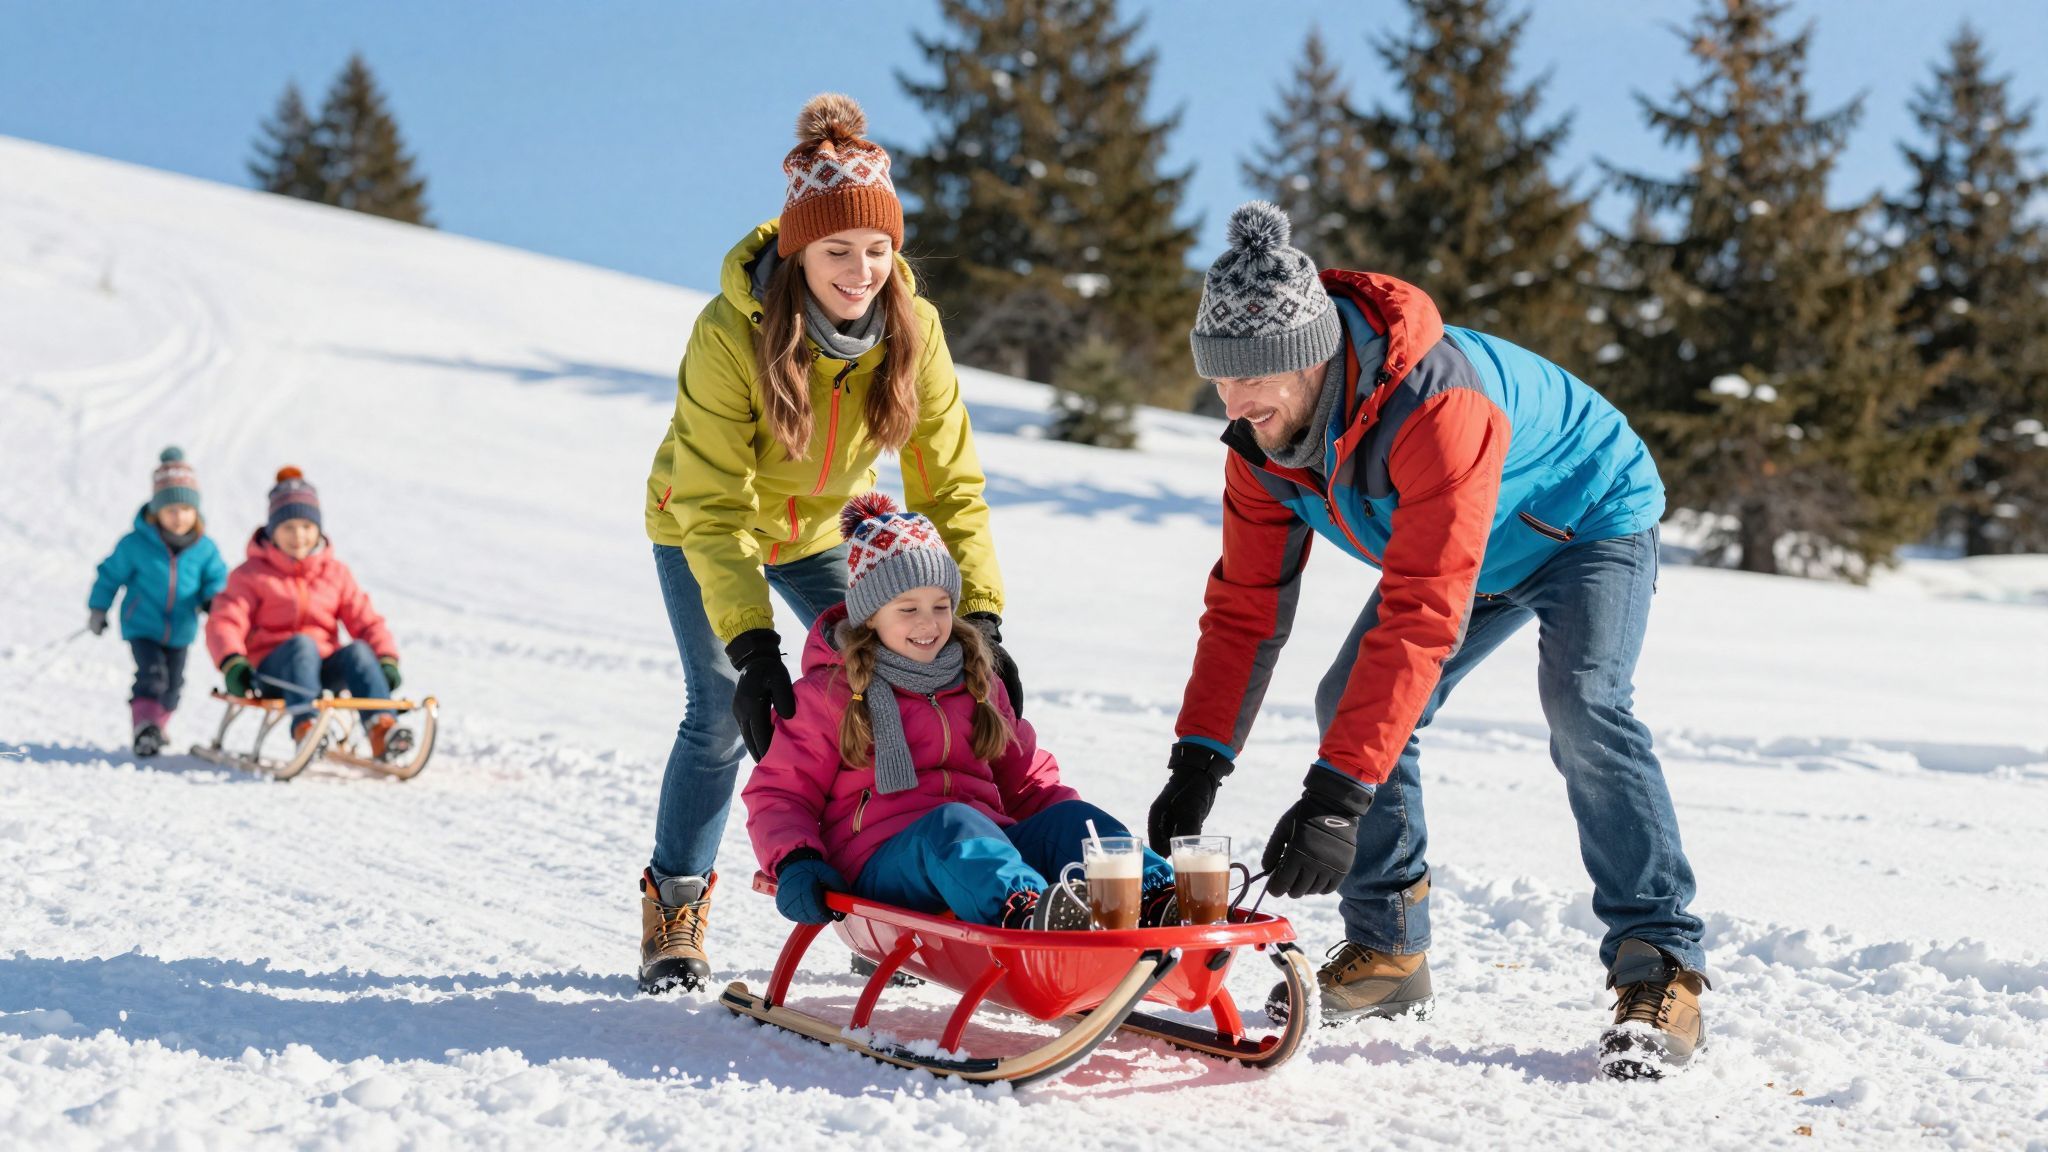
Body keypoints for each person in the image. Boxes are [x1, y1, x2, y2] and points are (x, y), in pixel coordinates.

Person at [1147, 201, 1708, 1078]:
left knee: (1584, 702)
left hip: (1586, 518)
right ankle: (1390, 952)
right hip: (1461, 550)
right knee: (1352, 704)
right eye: (1221, 379)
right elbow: (1246, 609)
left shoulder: (1435, 402)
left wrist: (1336, 799)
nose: (1237, 402)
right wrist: (1199, 761)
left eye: (1255, 379)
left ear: (1314, 357)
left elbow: (1419, 612)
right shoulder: (1261, 445)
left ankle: (1659, 963)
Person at [635, 93, 1021, 992]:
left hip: (818, 532)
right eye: (836, 251)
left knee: (898, 680)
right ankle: (677, 906)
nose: (859, 270)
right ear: (798, 249)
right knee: (722, 708)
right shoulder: (730, 331)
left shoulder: (911, 336)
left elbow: (949, 487)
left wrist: (985, 622)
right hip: (701, 522)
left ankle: (881, 898)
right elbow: (713, 498)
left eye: (877, 251)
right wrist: (753, 641)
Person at [745, 495, 1171, 931]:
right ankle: (1026, 913)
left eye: (941, 606)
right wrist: (797, 858)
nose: (928, 624)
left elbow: (1027, 784)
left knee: (1068, 819)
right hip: (879, 862)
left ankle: (1157, 896)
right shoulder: (830, 694)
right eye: (908, 609)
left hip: (984, 852)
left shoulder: (976, 681)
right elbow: (781, 793)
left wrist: (1070, 840)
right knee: (953, 823)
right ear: (870, 616)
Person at [205, 467, 411, 760]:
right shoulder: (251, 575)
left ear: (318, 529)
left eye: (306, 526)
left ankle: (382, 729)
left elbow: (367, 621)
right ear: (272, 530)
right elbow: (225, 620)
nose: (298, 536)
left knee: (359, 651)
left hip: (325, 670)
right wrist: (232, 663)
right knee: (302, 645)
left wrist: (385, 660)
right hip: (273, 672)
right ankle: (307, 728)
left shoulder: (335, 574)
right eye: (288, 527)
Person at [87, 447, 229, 756]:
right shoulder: (136, 544)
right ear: (157, 511)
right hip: (143, 625)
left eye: (186, 510)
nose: (179, 517)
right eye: (171, 510)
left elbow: (216, 579)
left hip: (181, 629)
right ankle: (144, 727)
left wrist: (212, 601)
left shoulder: (205, 549)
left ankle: (157, 725)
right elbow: (109, 575)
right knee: (152, 675)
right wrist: (99, 608)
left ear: (196, 511)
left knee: (174, 687)